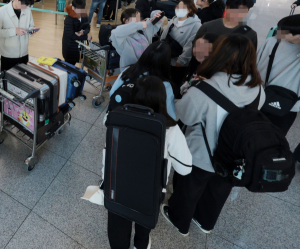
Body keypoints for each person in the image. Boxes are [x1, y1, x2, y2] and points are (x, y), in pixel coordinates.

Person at [163, 34, 264, 236]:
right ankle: (205, 222)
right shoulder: (258, 88)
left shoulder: (206, 88)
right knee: (218, 191)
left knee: (188, 190)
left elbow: (184, 114)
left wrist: (190, 88)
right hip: (234, 156)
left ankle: (179, 220)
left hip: (202, 155)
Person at [105, 75, 191, 249]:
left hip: (117, 185)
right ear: (162, 98)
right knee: (144, 223)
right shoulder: (170, 129)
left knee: (117, 226)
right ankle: (141, 244)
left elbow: (108, 152)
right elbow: (185, 168)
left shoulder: (114, 117)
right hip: (150, 191)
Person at [257, 15, 300, 134]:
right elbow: (255, 64)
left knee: (270, 140)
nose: (279, 32)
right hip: (257, 98)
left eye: (284, 31)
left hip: (284, 105)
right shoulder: (273, 41)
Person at [108, 41, 177, 119]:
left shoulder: (129, 71)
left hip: (118, 119)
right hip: (144, 126)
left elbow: (112, 93)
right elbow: (171, 116)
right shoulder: (165, 85)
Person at [0, 0, 37, 71]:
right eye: (23, 4)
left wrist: (32, 30)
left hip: (24, 54)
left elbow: (31, 25)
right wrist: (14, 31)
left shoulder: (27, 10)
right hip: (8, 55)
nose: (24, 7)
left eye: (26, 5)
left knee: (23, 81)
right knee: (7, 81)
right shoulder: (1, 12)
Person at [158, 0, 202, 86]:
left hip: (179, 62)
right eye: (178, 7)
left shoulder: (196, 25)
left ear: (189, 10)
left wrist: (182, 60)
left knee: (174, 83)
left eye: (182, 8)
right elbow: (164, 35)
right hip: (167, 58)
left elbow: (190, 45)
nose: (178, 9)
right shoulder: (173, 20)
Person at [62, 0, 91, 65]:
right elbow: (71, 35)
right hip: (70, 47)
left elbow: (87, 27)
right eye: (78, 9)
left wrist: (83, 32)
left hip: (79, 47)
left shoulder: (84, 15)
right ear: (73, 8)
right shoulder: (69, 19)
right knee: (69, 65)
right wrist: (85, 37)